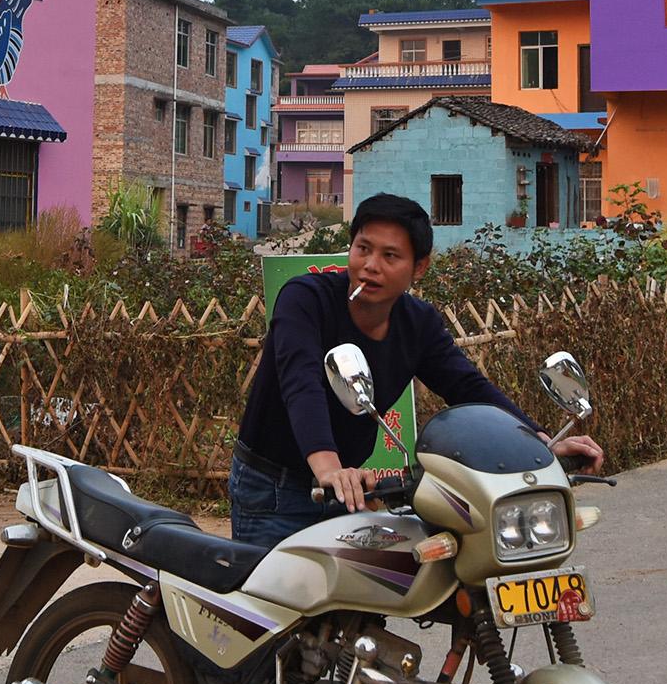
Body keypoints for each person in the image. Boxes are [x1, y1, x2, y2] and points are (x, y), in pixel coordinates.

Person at [229, 192, 604, 554]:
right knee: (270, 614)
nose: (371, 265)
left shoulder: (417, 323)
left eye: (390, 256)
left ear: (419, 267)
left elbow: (467, 387)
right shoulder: (305, 299)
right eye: (363, 249)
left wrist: (539, 444)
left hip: (353, 487)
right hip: (274, 489)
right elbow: (302, 381)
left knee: (361, 609)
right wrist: (329, 469)